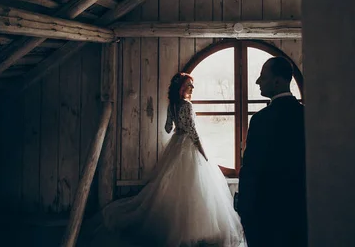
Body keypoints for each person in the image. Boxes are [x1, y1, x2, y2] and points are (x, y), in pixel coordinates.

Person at [98, 72, 244, 247]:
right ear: (182, 88)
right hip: (189, 144)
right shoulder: (187, 106)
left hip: (177, 143)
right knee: (193, 187)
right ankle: (191, 230)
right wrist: (203, 152)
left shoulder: (172, 105)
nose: (192, 88)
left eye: (192, 85)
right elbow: (193, 131)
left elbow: (168, 128)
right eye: (189, 85)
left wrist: (176, 126)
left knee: (175, 186)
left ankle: (176, 226)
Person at [237, 57, 307, 247]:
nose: (258, 81)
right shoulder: (307, 116)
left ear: (277, 81)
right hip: (301, 208)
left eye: (262, 77)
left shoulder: (261, 120)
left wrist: (243, 205)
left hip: (266, 209)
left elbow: (251, 167)